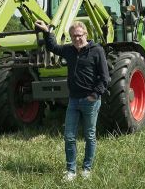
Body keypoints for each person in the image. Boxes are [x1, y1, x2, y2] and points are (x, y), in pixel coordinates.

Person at [34, 20, 110, 181]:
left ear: (86, 34)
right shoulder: (69, 50)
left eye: (79, 35)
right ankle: (71, 171)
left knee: (89, 136)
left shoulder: (97, 51)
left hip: (90, 101)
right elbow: (52, 47)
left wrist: (94, 95)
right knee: (69, 136)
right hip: (73, 101)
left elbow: (105, 78)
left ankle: (87, 169)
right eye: (73, 36)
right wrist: (47, 32)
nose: (77, 39)